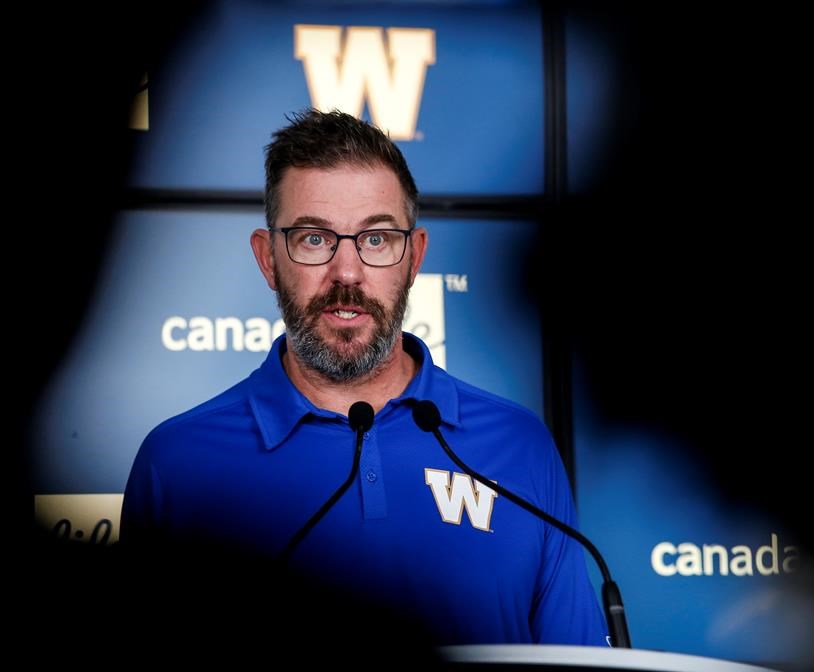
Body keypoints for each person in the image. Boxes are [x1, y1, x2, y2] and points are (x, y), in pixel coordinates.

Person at [121, 109, 609, 647]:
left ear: (414, 256)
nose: (347, 273)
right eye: (313, 239)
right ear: (267, 259)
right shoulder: (177, 463)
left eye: (376, 240)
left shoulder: (520, 447)